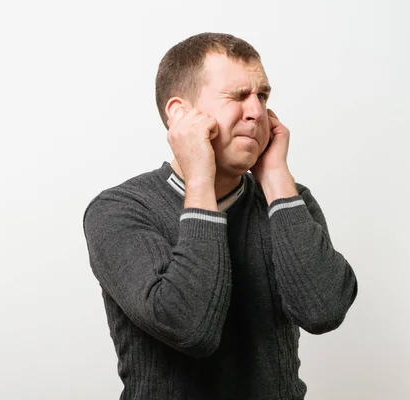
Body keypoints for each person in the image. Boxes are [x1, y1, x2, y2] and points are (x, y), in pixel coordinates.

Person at [83, 32, 358, 400]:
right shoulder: (119, 210)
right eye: (238, 96)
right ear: (181, 114)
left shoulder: (288, 199)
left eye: (262, 96)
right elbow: (189, 327)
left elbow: (323, 310)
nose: (256, 111)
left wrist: (276, 178)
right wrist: (200, 179)